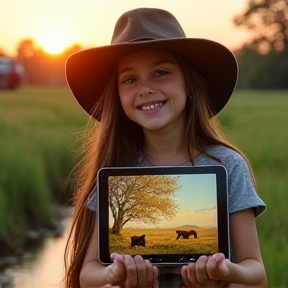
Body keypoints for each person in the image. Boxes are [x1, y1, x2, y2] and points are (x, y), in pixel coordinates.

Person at [64, 7, 267, 288]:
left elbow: (255, 273)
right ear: (118, 96)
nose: (145, 89)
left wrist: (225, 276)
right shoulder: (116, 167)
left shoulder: (227, 164)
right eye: (130, 79)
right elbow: (88, 274)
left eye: (160, 72)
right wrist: (115, 276)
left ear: (190, 85)